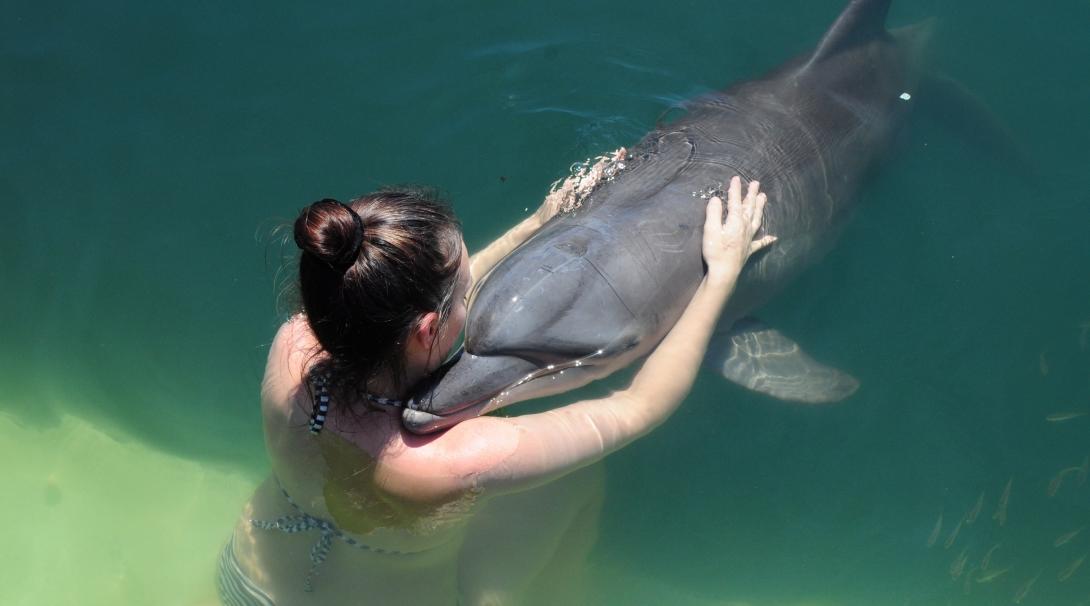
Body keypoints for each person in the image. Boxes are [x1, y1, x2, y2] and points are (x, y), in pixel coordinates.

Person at [220, 175, 774, 605]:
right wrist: (720, 274)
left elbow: (404, 311)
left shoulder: (295, 347)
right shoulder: (454, 457)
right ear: (427, 328)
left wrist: (536, 223)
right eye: (465, 292)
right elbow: (638, 408)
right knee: (577, 480)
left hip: (251, 574)